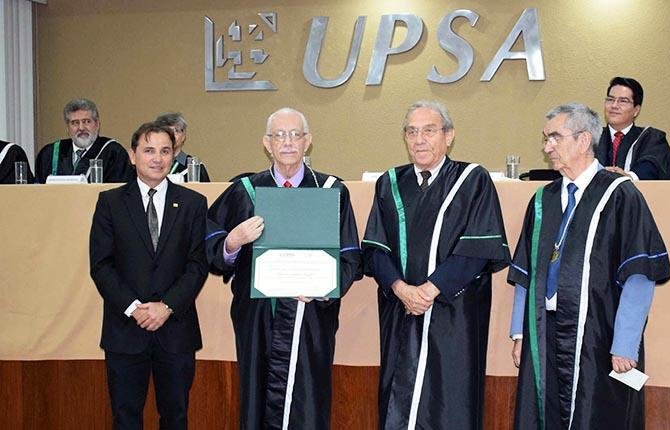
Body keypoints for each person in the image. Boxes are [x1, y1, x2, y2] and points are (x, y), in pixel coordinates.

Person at [508, 103, 670, 429]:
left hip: (598, 334)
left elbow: (639, 275)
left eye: (555, 137)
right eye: (545, 138)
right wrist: (520, 333)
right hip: (543, 332)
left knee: (594, 416)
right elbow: (526, 272)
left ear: (583, 140)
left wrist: (625, 344)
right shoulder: (543, 200)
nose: (547, 147)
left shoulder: (620, 195)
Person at [205, 107, 362, 429]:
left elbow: (350, 257)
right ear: (267, 143)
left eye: (295, 135)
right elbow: (210, 244)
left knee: (308, 399)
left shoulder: (331, 190)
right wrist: (232, 241)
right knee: (257, 396)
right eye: (279, 135)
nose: (287, 142)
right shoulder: (244, 191)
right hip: (258, 317)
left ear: (308, 141)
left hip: (310, 317)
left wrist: (324, 288)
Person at [362, 100, 510, 429]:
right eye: (412, 132)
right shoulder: (389, 182)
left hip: (453, 312)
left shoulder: (472, 179)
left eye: (429, 130)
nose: (419, 140)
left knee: (448, 400)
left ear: (449, 135)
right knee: (397, 398)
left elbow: (478, 248)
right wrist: (402, 290)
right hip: (400, 310)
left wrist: (429, 291)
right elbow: (375, 248)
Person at [89, 121, 208, 429]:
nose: (157, 158)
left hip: (176, 330)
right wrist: (134, 308)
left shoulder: (194, 203)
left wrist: (166, 307)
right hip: (125, 330)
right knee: (125, 418)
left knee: (176, 417)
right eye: (149, 150)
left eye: (165, 151)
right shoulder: (110, 202)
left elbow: (197, 265)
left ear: (174, 155)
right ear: (133, 155)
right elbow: (101, 265)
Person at [597, 76, 670, 180]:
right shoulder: (590, 138)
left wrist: (628, 177)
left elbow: (651, 167)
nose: (614, 105)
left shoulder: (651, 138)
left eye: (623, 101)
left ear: (636, 110)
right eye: (610, 99)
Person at [35, 98, 131, 183]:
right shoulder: (49, 154)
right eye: (75, 123)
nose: (81, 128)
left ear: (97, 124)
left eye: (86, 122)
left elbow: (119, 192)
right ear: (67, 128)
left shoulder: (113, 153)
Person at [156, 112, 212, 182]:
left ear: (183, 136)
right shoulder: (153, 163)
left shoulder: (194, 166)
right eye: (167, 131)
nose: (172, 135)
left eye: (176, 131)